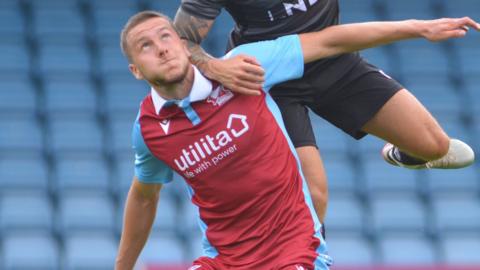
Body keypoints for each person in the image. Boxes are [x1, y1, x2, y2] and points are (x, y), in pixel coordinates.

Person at [114, 10, 479, 270]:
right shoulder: (148, 130)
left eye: (165, 37)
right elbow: (144, 196)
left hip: (295, 255)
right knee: (316, 190)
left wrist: (419, 27)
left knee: (435, 146)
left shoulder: (246, 68)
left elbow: (329, 40)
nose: (161, 48)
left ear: (182, 43)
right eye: (145, 46)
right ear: (135, 70)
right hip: (222, 261)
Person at [173, 0, 476, 225]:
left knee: (436, 147)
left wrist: (422, 27)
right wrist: (216, 67)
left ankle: (400, 152)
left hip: (335, 58)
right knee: (312, 197)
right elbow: (182, 41)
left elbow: (335, 38)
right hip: (268, 77)